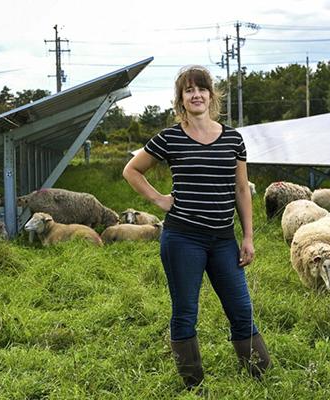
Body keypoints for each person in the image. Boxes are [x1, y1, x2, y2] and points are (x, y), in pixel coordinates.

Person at [122, 65, 271, 388]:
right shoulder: (170, 138)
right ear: (181, 99)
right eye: (189, 90)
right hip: (182, 239)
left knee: (241, 308)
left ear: (211, 95)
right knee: (186, 310)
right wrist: (160, 199)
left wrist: (247, 236)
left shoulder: (233, 139)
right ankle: (193, 384)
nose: (196, 95)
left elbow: (242, 189)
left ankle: (260, 375)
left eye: (201, 89)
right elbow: (132, 171)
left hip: (223, 240)